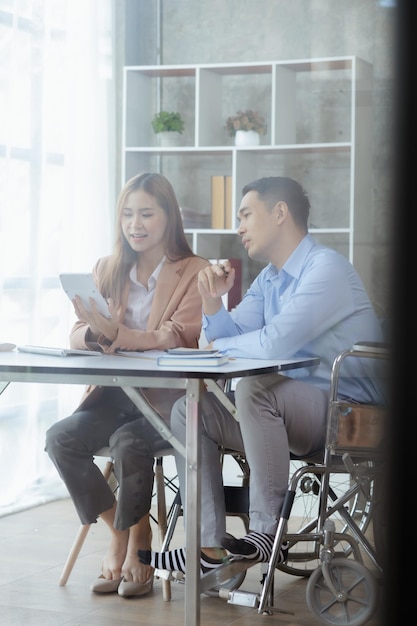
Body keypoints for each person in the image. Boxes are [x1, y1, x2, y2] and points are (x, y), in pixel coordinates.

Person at [137, 175, 385, 576]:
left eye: (246, 214)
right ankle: (208, 547)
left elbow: (274, 344)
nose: (239, 227)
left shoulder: (327, 270)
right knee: (189, 411)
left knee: (255, 388)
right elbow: (232, 335)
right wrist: (213, 303)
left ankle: (266, 533)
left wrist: (220, 345)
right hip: (284, 414)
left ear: (280, 213)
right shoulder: (268, 279)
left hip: (348, 417)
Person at [45, 172, 209, 597]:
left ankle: (141, 543)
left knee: (127, 444)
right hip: (114, 393)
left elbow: (178, 334)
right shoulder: (107, 268)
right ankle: (122, 532)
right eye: (127, 214)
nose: (135, 224)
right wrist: (98, 334)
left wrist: (115, 332)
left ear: (169, 217)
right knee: (60, 438)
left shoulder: (195, 271)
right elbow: (79, 332)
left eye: (146, 214)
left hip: (166, 399)